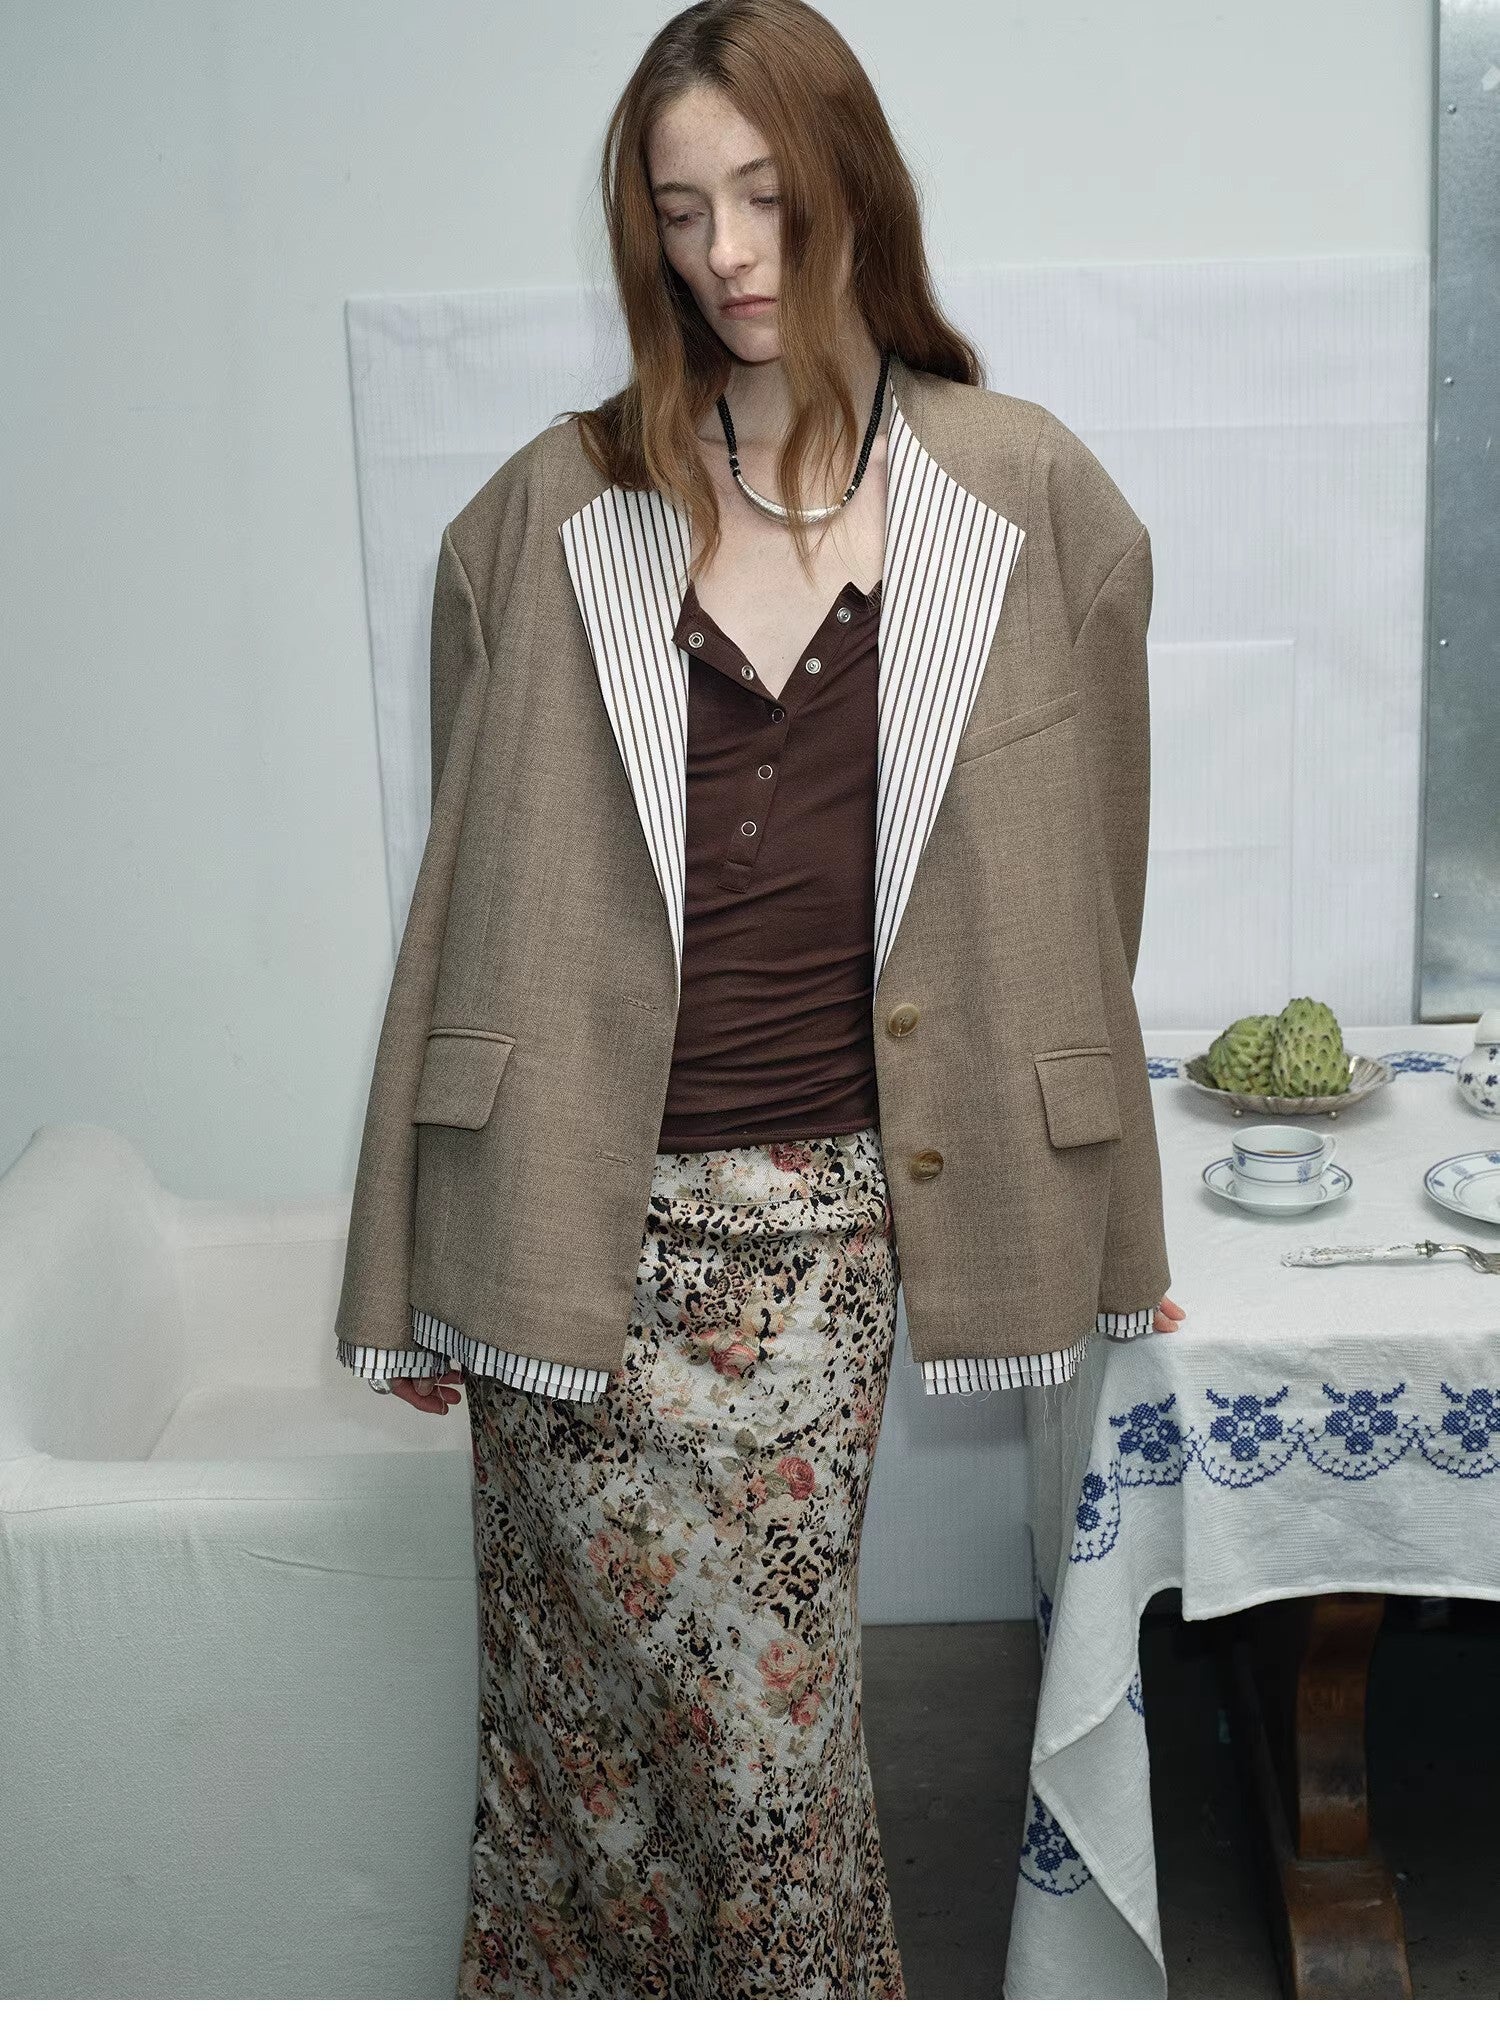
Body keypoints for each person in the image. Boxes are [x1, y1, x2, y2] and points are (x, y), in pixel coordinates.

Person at [335, 0, 1185, 1998]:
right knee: (569, 1760)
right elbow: (473, 903)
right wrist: (434, 1252)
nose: (726, 253)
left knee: (762, 1756)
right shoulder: (547, 509)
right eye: (680, 208)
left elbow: (1085, 887)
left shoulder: (1026, 492)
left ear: (851, 189)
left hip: (823, 1233)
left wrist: (1099, 1205)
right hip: (565, 1217)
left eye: (768, 200)